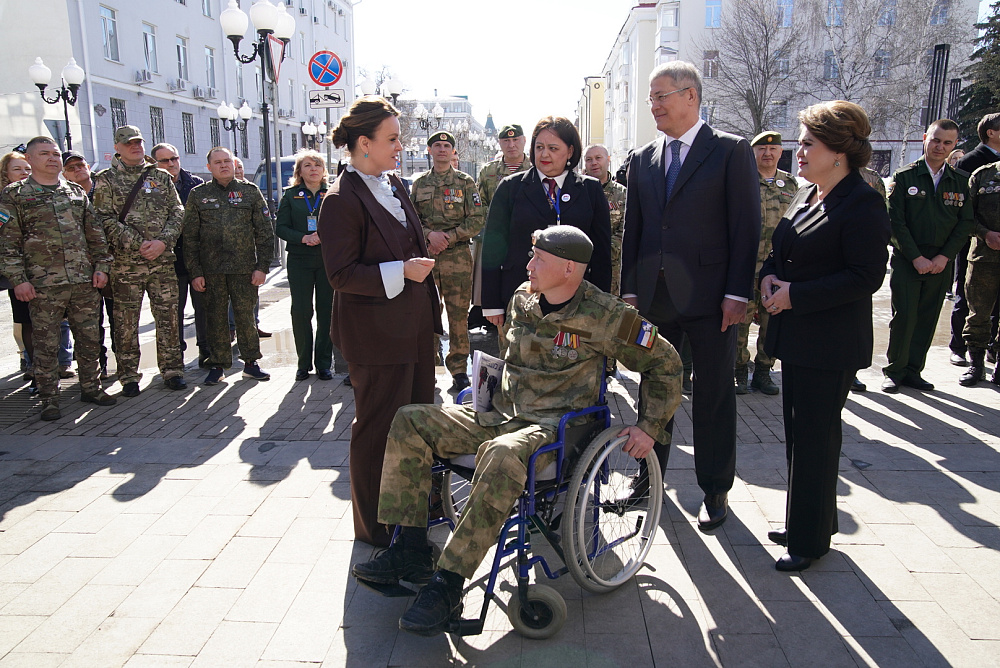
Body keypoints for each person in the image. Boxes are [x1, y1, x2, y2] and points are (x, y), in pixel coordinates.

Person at [350, 226, 682, 636]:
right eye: (531, 255)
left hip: (553, 431)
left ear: (568, 268)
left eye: (539, 258)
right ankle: (411, 549)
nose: (529, 265)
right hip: (500, 415)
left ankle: (448, 584)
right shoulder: (522, 299)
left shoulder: (608, 316)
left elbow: (666, 362)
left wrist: (649, 426)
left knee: (503, 454)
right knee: (410, 420)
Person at [621, 61, 760, 530]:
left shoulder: (730, 150)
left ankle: (715, 489)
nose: (654, 106)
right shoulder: (643, 157)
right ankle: (648, 479)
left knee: (713, 396)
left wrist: (737, 292)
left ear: (691, 96)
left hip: (712, 300)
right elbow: (636, 229)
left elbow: (745, 228)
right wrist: (630, 292)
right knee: (655, 391)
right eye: (651, 98)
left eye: (661, 96)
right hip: (656, 299)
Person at [760, 101, 890, 572]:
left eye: (807, 144)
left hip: (829, 342)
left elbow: (865, 276)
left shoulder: (862, 202)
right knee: (801, 435)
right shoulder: (807, 194)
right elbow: (782, 250)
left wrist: (795, 294)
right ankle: (810, 520)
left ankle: (809, 541)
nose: (797, 152)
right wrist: (769, 277)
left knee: (816, 438)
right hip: (799, 337)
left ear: (838, 152)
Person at [318, 96, 442, 547]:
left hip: (413, 329)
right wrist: (401, 271)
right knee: (378, 431)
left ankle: (413, 513)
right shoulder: (340, 200)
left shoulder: (393, 185)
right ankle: (374, 527)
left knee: (417, 424)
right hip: (375, 336)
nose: (400, 146)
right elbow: (341, 274)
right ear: (364, 143)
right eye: (392, 139)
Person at [0, 136, 117, 420]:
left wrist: (102, 266)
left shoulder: (75, 192)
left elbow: (94, 235)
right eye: (44, 154)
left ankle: (91, 387)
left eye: (55, 153)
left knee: (89, 338)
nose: (52, 158)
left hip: (82, 281)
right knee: (45, 344)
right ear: (29, 159)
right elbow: (7, 243)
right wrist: (18, 279)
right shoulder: (15, 195)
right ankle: (49, 398)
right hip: (42, 285)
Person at [481, 116, 612, 327]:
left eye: (553, 148)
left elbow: (601, 253)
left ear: (570, 151)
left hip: (576, 298)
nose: (544, 154)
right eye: (539, 147)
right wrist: (491, 303)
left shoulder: (590, 189)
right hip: (520, 295)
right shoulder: (510, 187)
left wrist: (601, 302)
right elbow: (492, 248)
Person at [92, 126, 187, 396]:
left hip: (161, 262)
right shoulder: (106, 179)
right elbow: (103, 218)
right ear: (117, 148)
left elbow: (178, 211)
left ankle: (172, 370)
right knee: (125, 322)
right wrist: (137, 243)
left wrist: (162, 242)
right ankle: (129, 375)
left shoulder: (161, 176)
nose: (135, 147)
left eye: (138, 142)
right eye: (128, 143)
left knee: (168, 318)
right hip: (126, 264)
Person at [882, 119, 974, 393]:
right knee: (904, 316)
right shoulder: (904, 177)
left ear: (954, 145)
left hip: (940, 263)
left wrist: (944, 257)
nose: (940, 147)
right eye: (935, 140)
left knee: (927, 317)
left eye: (947, 143)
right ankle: (895, 370)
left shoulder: (960, 181)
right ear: (925, 138)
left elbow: (965, 224)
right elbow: (894, 222)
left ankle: (914, 370)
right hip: (908, 260)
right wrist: (915, 257)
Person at [183, 147, 274, 386]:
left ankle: (251, 363)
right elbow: (190, 237)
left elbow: (264, 232)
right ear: (209, 167)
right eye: (218, 162)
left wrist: (262, 267)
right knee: (215, 318)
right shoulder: (198, 194)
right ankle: (218, 364)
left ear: (233, 164)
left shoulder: (249, 192)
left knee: (246, 317)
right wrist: (195, 272)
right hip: (211, 270)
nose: (223, 165)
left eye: (227, 161)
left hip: (244, 268)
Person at [410, 131, 485, 392]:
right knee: (427, 314)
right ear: (429, 150)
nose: (442, 149)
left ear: (453, 152)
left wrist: (449, 237)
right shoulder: (419, 184)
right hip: (427, 258)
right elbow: (411, 219)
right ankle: (428, 366)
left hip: (457, 258)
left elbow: (477, 219)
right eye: (437, 145)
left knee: (458, 316)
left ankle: (459, 369)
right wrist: (429, 235)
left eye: (446, 146)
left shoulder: (465, 182)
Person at [736, 131, 797, 395]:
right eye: (761, 149)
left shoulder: (791, 185)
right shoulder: (741, 181)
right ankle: (739, 370)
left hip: (777, 269)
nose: (767, 153)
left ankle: (763, 371)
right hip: (746, 267)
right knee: (740, 324)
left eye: (773, 149)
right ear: (753, 153)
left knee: (772, 324)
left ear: (781, 152)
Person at [275, 149, 334, 381]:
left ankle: (323, 363)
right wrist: (303, 237)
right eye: (308, 165)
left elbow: (343, 225)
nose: (313, 169)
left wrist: (322, 236)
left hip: (326, 259)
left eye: (317, 165)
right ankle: (303, 363)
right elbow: (281, 228)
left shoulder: (332, 193)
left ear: (323, 170)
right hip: (300, 259)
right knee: (301, 311)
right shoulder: (291, 196)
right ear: (300, 171)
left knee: (326, 311)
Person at [151, 142, 208, 367]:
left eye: (174, 158)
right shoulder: (149, 186)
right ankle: (175, 358)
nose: (171, 164)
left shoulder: (196, 184)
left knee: (204, 309)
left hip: (196, 259)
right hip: (168, 261)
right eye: (164, 160)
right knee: (172, 314)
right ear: (154, 163)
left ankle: (206, 352)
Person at [950, 113, 1000, 366]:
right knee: (968, 300)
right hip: (976, 248)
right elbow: (962, 208)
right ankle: (961, 348)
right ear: (991, 132)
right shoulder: (972, 164)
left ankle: (993, 350)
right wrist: (983, 233)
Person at [63, 150, 116, 379]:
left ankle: (123, 364)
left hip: (112, 264)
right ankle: (99, 366)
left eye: (81, 165)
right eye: (71, 167)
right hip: (82, 269)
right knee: (90, 324)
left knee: (118, 318)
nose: (78, 170)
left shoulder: (104, 188)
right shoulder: (64, 196)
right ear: (64, 173)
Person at [959, 159, 1000, 386]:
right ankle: (976, 364)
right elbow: (965, 215)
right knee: (978, 313)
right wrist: (985, 234)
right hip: (984, 258)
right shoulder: (984, 175)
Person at [1, 151, 35, 383]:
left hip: (45, 268)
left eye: (27, 169)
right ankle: (33, 367)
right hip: (16, 271)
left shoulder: (41, 192)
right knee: (26, 319)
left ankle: (54, 366)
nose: (23, 173)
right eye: (17, 169)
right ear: (5, 173)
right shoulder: (3, 200)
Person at [582, 144, 627, 296]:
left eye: (598, 158)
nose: (594, 163)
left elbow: (626, 228)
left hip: (612, 267)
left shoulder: (622, 194)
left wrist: (603, 251)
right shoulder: (578, 191)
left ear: (608, 159)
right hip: (582, 265)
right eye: (589, 159)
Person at [476, 124, 532, 209]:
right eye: (506, 141)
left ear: (524, 140)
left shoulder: (534, 169)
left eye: (515, 140)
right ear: (500, 143)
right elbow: (479, 204)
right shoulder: (488, 171)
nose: (511, 145)